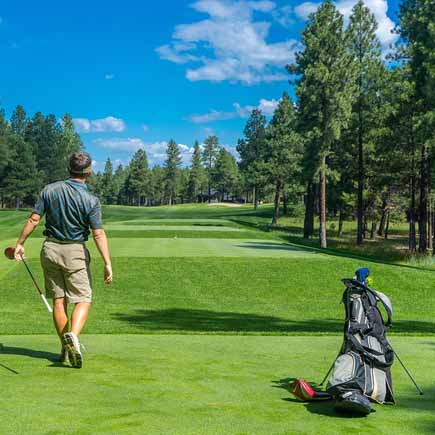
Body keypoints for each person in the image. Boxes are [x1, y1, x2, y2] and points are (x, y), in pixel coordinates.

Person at [14, 151, 113, 368]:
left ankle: (65, 348)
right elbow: (98, 233)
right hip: (75, 251)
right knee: (83, 298)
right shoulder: (91, 199)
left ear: (68, 168)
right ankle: (73, 338)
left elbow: (34, 219)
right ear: (89, 171)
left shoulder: (49, 190)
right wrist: (107, 263)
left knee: (59, 301)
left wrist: (20, 243)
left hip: (49, 249)